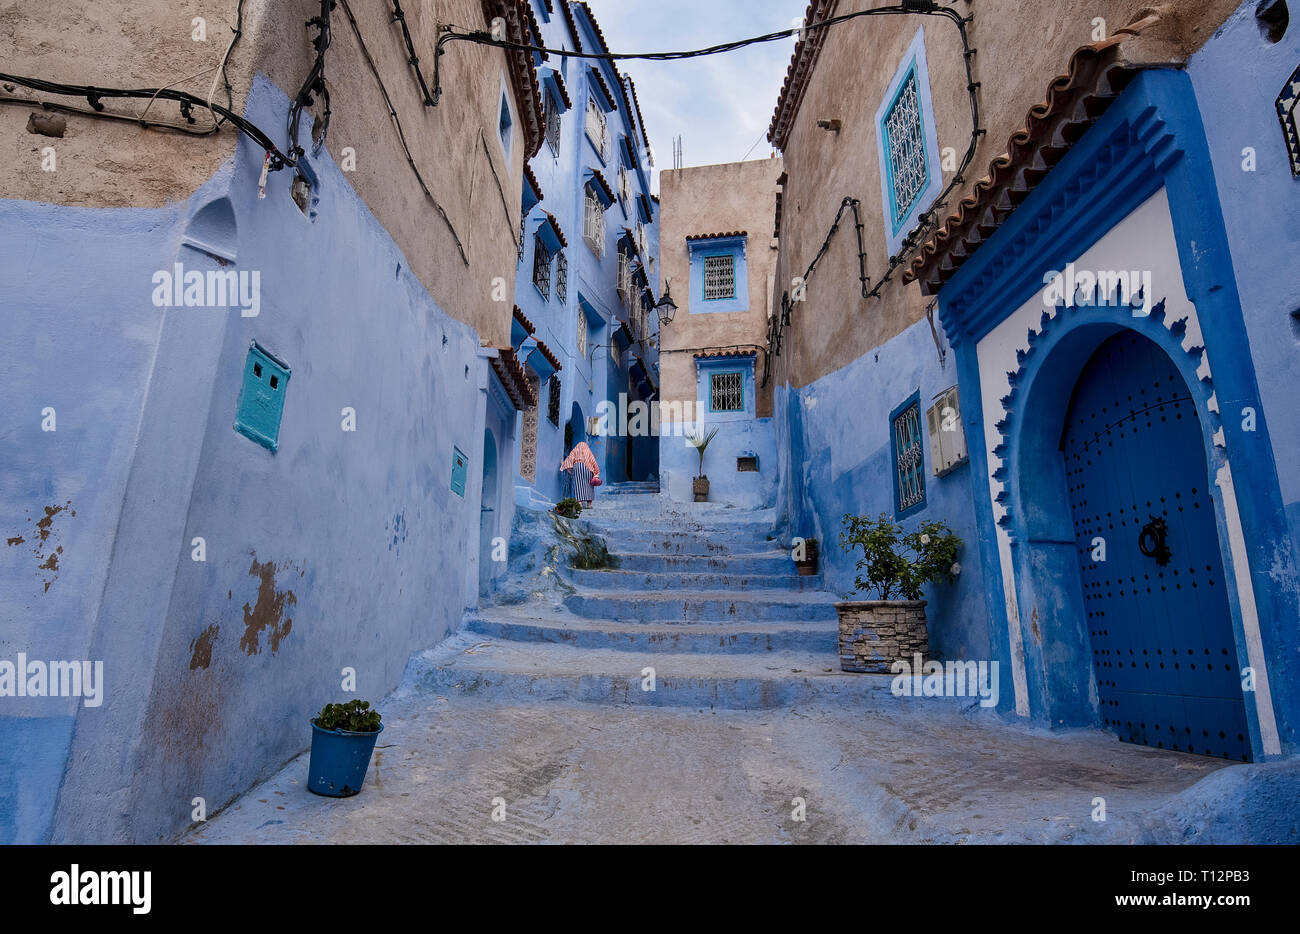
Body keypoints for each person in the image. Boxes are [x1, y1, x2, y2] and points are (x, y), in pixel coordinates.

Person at [561, 441, 600, 507]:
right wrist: (596, 473)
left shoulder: (575, 451)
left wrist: (564, 464)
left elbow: (570, 458)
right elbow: (593, 461)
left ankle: (579, 503)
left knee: (578, 485)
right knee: (589, 486)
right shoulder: (588, 452)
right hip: (588, 467)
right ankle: (589, 504)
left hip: (577, 467)